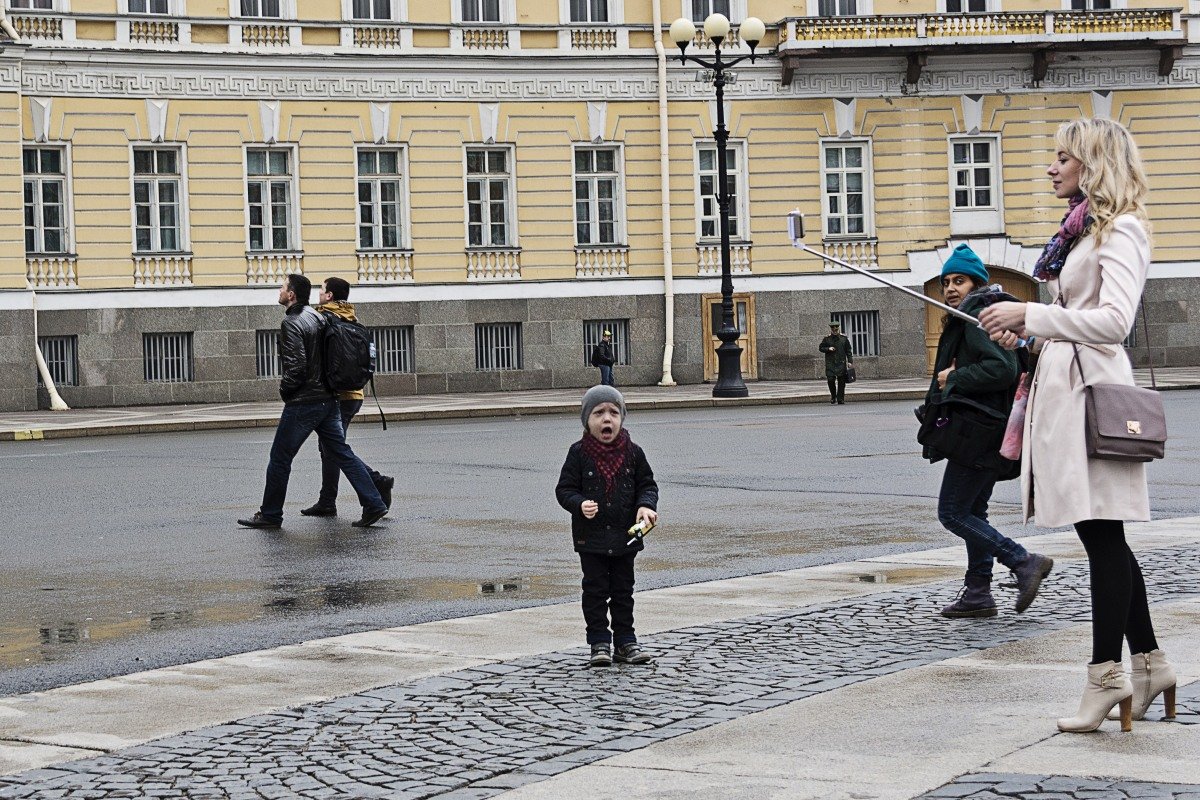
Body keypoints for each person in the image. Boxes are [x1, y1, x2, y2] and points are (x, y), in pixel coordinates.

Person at [980, 118, 1175, 733]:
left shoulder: (1122, 230)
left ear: (1092, 164)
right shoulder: (1082, 233)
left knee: (1104, 542)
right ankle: (1149, 666)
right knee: (1103, 539)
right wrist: (1028, 331)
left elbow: (1115, 321)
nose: (1052, 167)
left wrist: (1034, 313)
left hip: (1094, 401)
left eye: (1063, 157)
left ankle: (1105, 677)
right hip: (1069, 389)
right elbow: (1076, 318)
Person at [923, 244, 1054, 620]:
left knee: (953, 512)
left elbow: (1002, 369)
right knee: (973, 510)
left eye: (959, 281)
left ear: (976, 284)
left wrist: (954, 377)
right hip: (987, 428)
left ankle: (1023, 560)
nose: (950, 288)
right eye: (946, 281)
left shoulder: (977, 315)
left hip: (979, 430)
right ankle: (979, 592)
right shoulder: (971, 313)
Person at [237, 274, 388, 530]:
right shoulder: (317, 316)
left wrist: (286, 392)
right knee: (341, 452)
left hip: (305, 401)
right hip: (328, 399)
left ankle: (271, 514)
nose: (280, 290)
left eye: (283, 287)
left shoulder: (293, 322)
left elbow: (296, 367)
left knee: (280, 457)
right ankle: (373, 503)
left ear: (292, 294)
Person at [555, 385, 658, 668]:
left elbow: (647, 485)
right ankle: (599, 642)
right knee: (596, 591)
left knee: (624, 592)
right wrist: (578, 504)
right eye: (599, 413)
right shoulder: (578, 453)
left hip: (626, 537)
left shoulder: (634, 453)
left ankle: (626, 642)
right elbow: (564, 489)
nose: (607, 419)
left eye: (613, 412)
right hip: (592, 539)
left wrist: (646, 506)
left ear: (622, 418)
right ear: (587, 421)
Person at [300, 277, 394, 518]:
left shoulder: (322, 318)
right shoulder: (352, 317)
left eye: (321, 290)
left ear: (330, 295)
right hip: (354, 393)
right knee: (329, 446)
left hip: (335, 394)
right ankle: (327, 500)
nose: (318, 294)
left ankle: (375, 482)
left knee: (334, 447)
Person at [819, 321, 853, 404]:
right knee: (830, 380)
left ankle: (840, 398)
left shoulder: (844, 339)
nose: (835, 330)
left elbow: (848, 351)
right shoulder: (827, 339)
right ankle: (833, 396)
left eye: (836, 328)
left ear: (838, 328)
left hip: (841, 363)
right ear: (831, 329)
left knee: (841, 381)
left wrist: (850, 361)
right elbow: (821, 348)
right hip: (830, 364)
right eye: (833, 329)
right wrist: (828, 349)